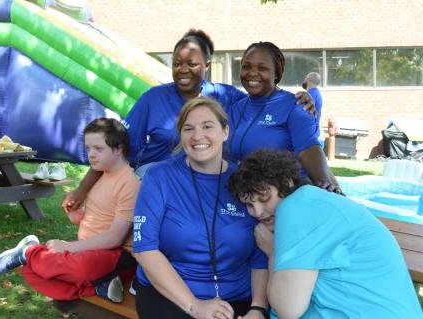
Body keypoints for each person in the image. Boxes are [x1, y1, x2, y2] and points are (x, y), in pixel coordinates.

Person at [62, 29, 316, 213]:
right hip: (158, 179)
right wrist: (82, 189)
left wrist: (302, 98)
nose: (183, 69)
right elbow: (116, 145)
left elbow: (261, 98)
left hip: (208, 181)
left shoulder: (225, 96)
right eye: (176, 63)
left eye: (192, 64)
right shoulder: (153, 99)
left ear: (206, 64)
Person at [228, 150, 423, 319]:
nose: (259, 212)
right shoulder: (313, 201)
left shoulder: (294, 207)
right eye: (249, 204)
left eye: (264, 198)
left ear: (286, 183)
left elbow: (287, 308)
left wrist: (272, 252)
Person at [133, 97, 269, 319]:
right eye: (188, 129)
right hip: (170, 295)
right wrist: (195, 306)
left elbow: (259, 255)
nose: (197, 136)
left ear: (225, 132)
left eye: (207, 126)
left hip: (237, 298)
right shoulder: (159, 177)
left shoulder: (244, 180)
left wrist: (258, 307)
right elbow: (145, 249)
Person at [0, 118, 140, 301]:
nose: (91, 155)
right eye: (88, 149)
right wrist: (78, 217)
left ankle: (29, 252)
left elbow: (115, 238)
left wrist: (70, 247)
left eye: (98, 149)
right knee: (30, 273)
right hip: (88, 251)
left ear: (118, 149)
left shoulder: (130, 184)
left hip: (117, 257)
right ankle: (97, 287)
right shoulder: (100, 174)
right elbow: (100, 217)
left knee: (77, 269)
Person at [226, 42, 341, 193]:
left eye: (262, 68)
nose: (252, 73)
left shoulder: (296, 105)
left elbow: (308, 148)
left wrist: (325, 183)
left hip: (285, 197)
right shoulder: (234, 108)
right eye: (247, 66)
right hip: (248, 201)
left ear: (276, 73)